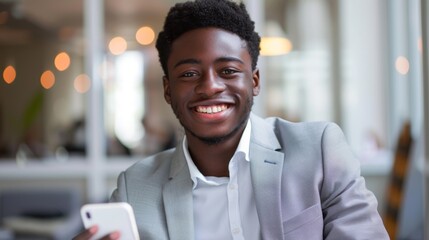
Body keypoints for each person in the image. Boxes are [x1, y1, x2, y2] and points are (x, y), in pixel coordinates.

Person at [74, 0, 389, 239]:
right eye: (189, 73)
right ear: (168, 90)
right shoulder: (136, 187)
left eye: (227, 70)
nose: (210, 86)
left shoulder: (319, 152)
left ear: (254, 81)